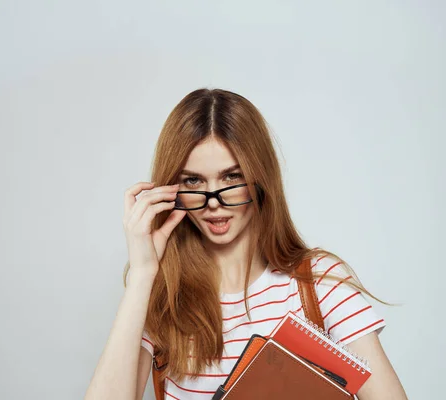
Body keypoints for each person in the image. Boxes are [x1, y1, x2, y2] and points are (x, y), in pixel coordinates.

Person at [85, 88, 407, 400]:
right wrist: (143, 273)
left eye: (232, 178)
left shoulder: (318, 283)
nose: (214, 203)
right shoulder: (163, 293)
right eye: (193, 181)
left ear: (261, 179)